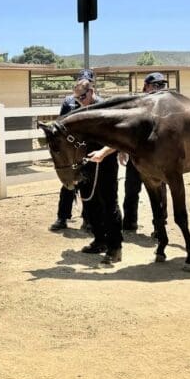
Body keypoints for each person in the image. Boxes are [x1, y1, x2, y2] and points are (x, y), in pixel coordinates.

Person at [71, 79, 123, 264]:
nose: (80, 101)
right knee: (90, 202)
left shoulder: (105, 109)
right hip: (87, 162)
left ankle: (115, 247)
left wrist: (103, 152)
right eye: (77, 98)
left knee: (109, 203)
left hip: (105, 162)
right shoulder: (80, 110)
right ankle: (100, 240)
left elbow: (118, 137)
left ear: (91, 92)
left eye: (83, 97)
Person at [121, 72, 169, 235]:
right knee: (131, 189)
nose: (160, 88)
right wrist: (122, 149)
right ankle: (129, 223)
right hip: (137, 155)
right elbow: (127, 129)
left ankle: (159, 225)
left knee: (160, 191)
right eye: (156, 85)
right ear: (146, 87)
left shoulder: (167, 107)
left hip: (158, 158)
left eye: (162, 85)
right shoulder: (137, 105)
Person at [50, 69, 94, 232]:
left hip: (87, 148)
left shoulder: (96, 102)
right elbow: (60, 122)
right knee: (68, 183)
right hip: (70, 150)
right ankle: (62, 217)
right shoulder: (68, 102)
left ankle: (88, 218)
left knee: (87, 183)